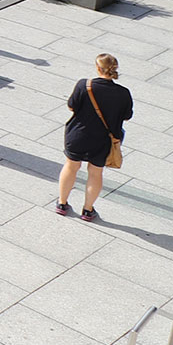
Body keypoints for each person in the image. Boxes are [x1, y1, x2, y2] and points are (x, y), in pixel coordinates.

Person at [58, 54, 132, 221]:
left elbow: (72, 106)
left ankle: (62, 204)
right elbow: (127, 116)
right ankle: (87, 210)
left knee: (71, 166)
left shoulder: (84, 85)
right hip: (104, 140)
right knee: (95, 172)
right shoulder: (123, 93)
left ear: (98, 68)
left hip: (78, 135)